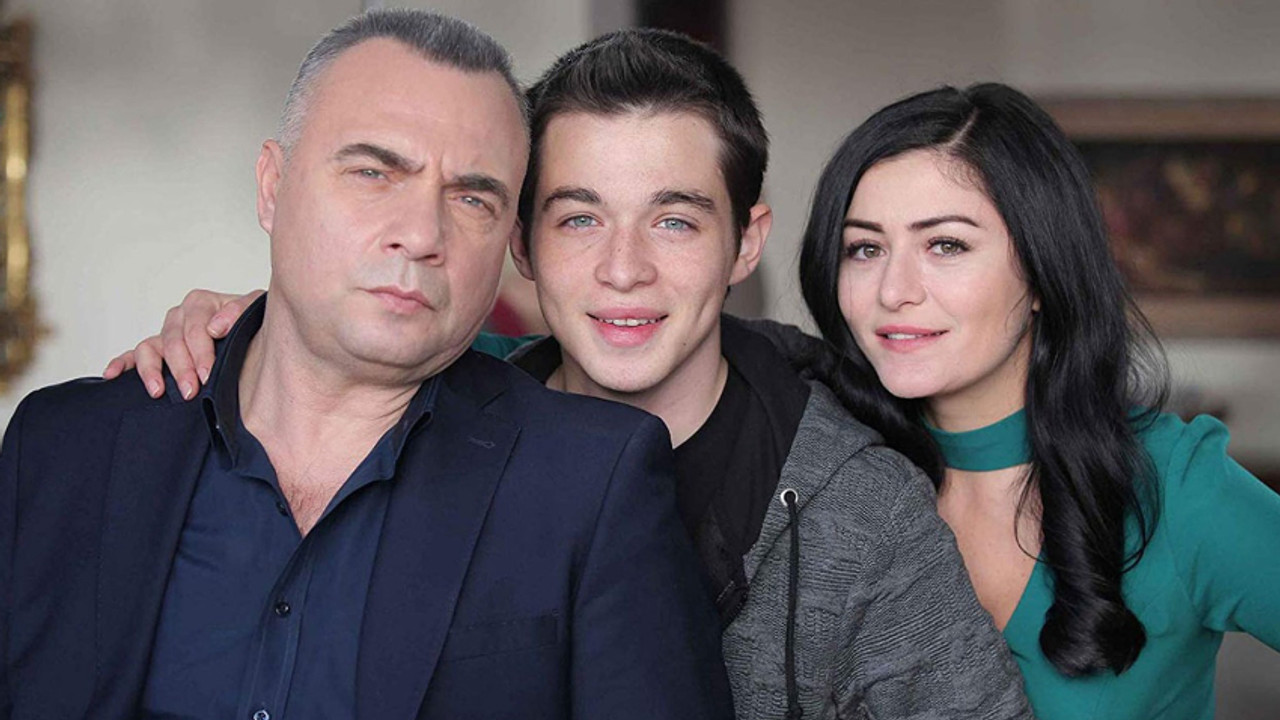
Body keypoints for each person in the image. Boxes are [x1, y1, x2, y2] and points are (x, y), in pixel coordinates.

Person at [107, 30, 1034, 720]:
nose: (623, 270)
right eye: (579, 219)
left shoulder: (860, 506)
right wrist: (240, 332)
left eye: (674, 221)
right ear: (521, 242)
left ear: (746, 242)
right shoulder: (411, 418)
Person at [0, 11, 735, 719]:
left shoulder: (593, 480)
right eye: (374, 173)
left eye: (472, 198)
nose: (421, 234)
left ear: (509, 243)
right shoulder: (63, 446)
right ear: (272, 185)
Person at [798, 82, 1280, 720]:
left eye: (945, 245)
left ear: (1041, 273)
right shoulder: (822, 480)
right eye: (865, 248)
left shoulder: (1175, 485)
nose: (893, 290)